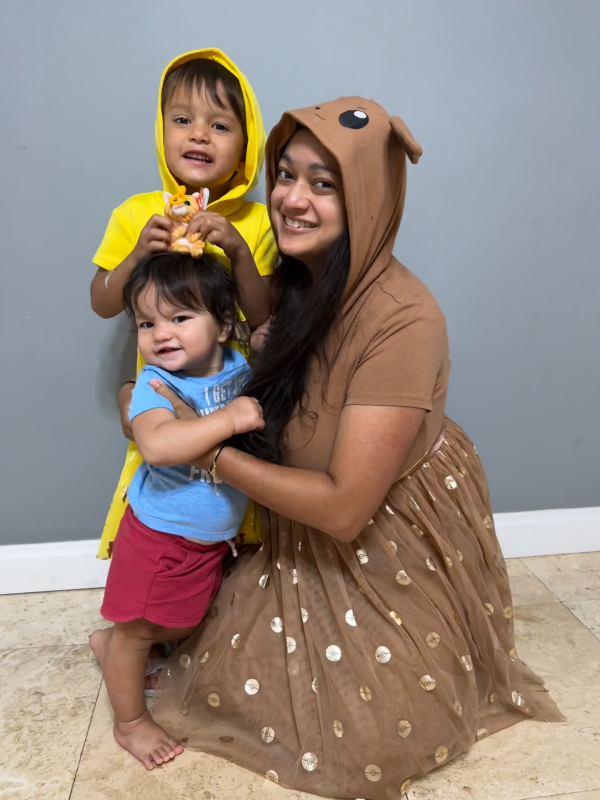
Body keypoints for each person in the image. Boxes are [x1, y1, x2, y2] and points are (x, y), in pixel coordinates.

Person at [147, 97, 564, 798]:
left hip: (376, 525)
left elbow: (345, 511)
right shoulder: (310, 278)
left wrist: (207, 452)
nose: (291, 199)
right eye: (285, 175)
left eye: (323, 183)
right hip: (296, 511)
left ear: (368, 197)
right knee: (210, 648)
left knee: (378, 728)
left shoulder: (404, 319)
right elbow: (267, 329)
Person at [91, 48, 275, 561]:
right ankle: (147, 602)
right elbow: (103, 303)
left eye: (219, 125)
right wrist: (134, 257)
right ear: (162, 130)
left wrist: (237, 247)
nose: (198, 134)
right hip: (162, 396)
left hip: (229, 397)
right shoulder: (136, 213)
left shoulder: (257, 222)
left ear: (244, 148)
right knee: (161, 511)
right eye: (182, 120)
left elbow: (260, 317)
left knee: (231, 505)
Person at [90, 251, 265, 769]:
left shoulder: (236, 365)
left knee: (180, 620)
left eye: (180, 318)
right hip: (160, 538)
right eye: (147, 323)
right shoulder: (156, 384)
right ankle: (129, 722)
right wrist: (231, 419)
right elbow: (161, 447)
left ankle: (111, 641)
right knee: (141, 628)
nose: (160, 334)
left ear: (224, 324)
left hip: (208, 538)